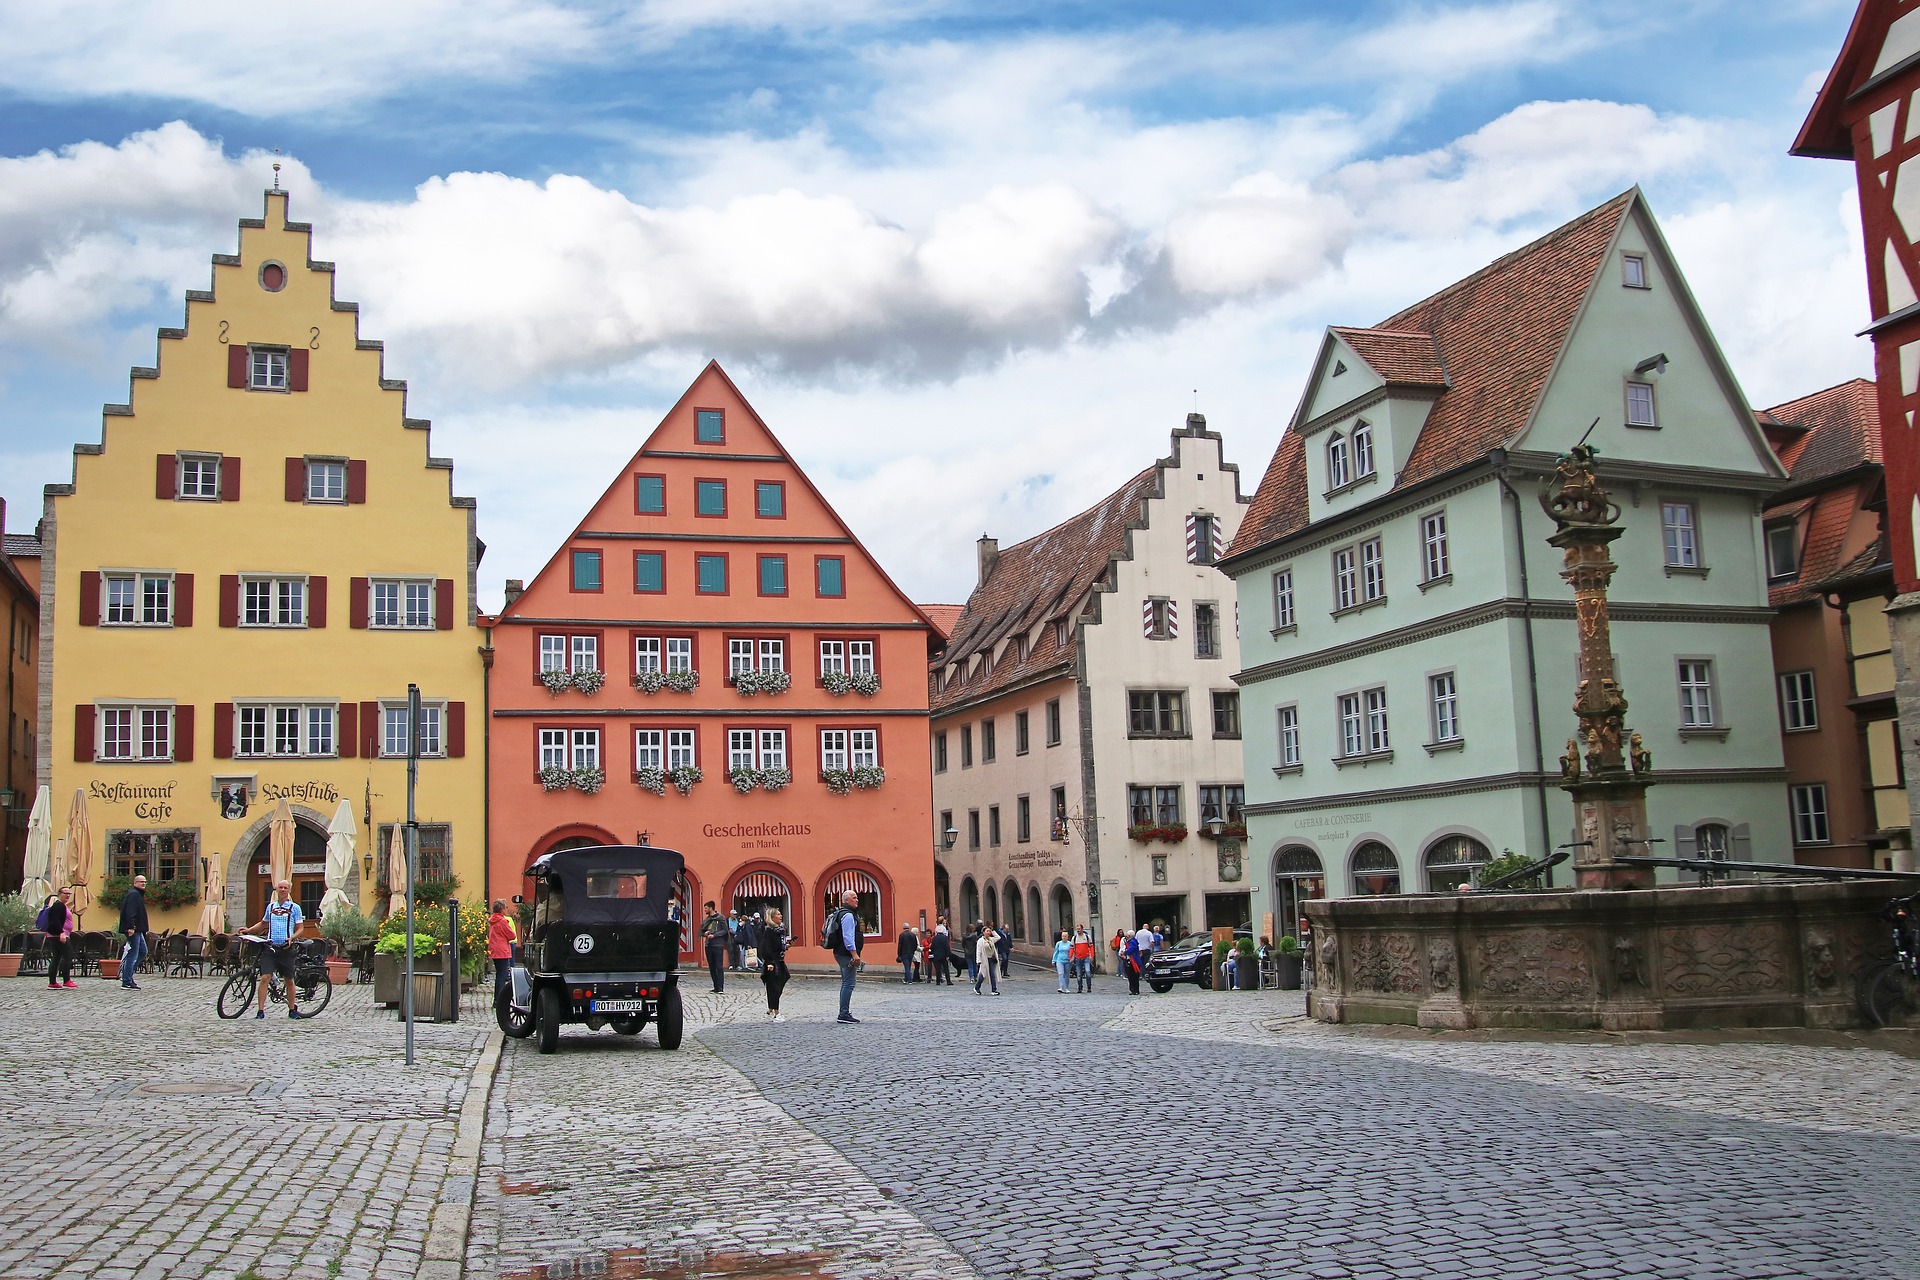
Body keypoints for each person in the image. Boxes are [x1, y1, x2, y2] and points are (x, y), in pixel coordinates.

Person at [241, 880, 307, 1019]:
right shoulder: (271, 907)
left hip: (286, 948)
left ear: (289, 890)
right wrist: (249, 930)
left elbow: (300, 928)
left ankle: (292, 1010)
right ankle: (260, 1011)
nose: (282, 890)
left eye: (285, 888)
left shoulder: (295, 908)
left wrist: (292, 938)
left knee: (289, 979)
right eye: (280, 887)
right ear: (276, 889)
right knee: (265, 977)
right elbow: (263, 923)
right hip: (270, 948)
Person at [827, 889, 864, 1023]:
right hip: (846, 953)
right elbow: (848, 937)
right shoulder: (848, 915)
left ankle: (844, 1012)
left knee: (846, 983)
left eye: (857, 898)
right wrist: (854, 954)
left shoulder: (842, 913)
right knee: (849, 983)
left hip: (840, 952)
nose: (857, 900)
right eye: (854, 898)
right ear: (846, 900)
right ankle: (843, 1013)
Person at [117, 873, 151, 989]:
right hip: (134, 930)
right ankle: (126, 980)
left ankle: (128, 974)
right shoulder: (134, 894)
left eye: (145, 882)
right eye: (141, 882)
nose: (143, 884)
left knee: (143, 951)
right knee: (133, 954)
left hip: (138, 930)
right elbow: (130, 912)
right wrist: (131, 927)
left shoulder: (137, 894)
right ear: (135, 883)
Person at [759, 907, 790, 1021]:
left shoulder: (781, 929)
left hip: (780, 960)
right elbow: (766, 947)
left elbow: (779, 945)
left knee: (784, 979)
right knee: (773, 986)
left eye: (780, 913)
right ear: (772, 917)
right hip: (772, 961)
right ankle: (777, 1012)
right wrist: (769, 962)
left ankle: (771, 1006)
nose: (780, 916)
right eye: (778, 914)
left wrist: (786, 946)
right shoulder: (769, 931)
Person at [43, 889, 76, 990]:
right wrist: (61, 932)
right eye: (65, 893)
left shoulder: (60, 905)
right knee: (68, 955)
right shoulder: (59, 905)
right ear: (59, 894)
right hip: (60, 935)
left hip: (55, 935)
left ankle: (53, 982)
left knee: (57, 957)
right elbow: (55, 921)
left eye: (69, 894)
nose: (67, 895)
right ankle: (66, 980)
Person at [486, 900, 517, 993]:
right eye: (505, 907)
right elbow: (512, 935)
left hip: (494, 949)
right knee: (502, 976)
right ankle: (499, 999)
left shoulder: (493, 919)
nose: (506, 910)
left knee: (499, 974)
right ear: (501, 909)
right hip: (502, 950)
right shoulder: (502, 921)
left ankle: (496, 999)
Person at [699, 901, 727, 993]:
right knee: (712, 967)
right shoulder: (707, 919)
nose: (705, 910)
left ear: (711, 908)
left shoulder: (720, 918)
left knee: (719, 966)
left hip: (718, 945)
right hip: (708, 945)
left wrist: (715, 935)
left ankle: (720, 987)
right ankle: (715, 986)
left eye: (706, 908)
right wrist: (705, 933)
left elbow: (724, 931)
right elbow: (702, 931)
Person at [973, 925, 1000, 995]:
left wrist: (993, 931)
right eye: (987, 931)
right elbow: (978, 951)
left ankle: (994, 990)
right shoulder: (980, 941)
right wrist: (978, 960)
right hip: (984, 959)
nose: (989, 932)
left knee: (992, 974)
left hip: (991, 959)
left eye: (989, 931)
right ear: (983, 932)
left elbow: (998, 937)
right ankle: (977, 987)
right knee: (983, 975)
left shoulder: (991, 939)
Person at [1070, 928, 1095, 994]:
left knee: (1088, 972)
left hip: (1086, 957)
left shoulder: (1087, 937)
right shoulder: (1074, 938)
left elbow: (1091, 947)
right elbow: (1072, 948)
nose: (1078, 930)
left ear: (1082, 929)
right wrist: (1071, 957)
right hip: (1078, 958)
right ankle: (1080, 987)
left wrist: (1092, 956)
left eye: (1079, 929)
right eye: (1077, 929)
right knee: (1079, 974)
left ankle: (1089, 987)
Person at [929, 918, 953, 986]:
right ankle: (948, 981)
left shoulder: (934, 938)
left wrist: (933, 953)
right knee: (946, 968)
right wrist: (948, 955)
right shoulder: (945, 938)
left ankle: (938, 981)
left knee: (938, 969)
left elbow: (932, 947)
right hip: (943, 955)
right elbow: (947, 947)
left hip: (936, 955)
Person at [1120, 930, 1142, 996]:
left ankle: (1134, 990)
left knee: (1133, 976)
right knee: (1132, 976)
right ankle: (1134, 989)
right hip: (1131, 960)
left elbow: (1131, 950)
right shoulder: (1132, 941)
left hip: (1133, 961)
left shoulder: (1132, 942)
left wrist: (1125, 952)